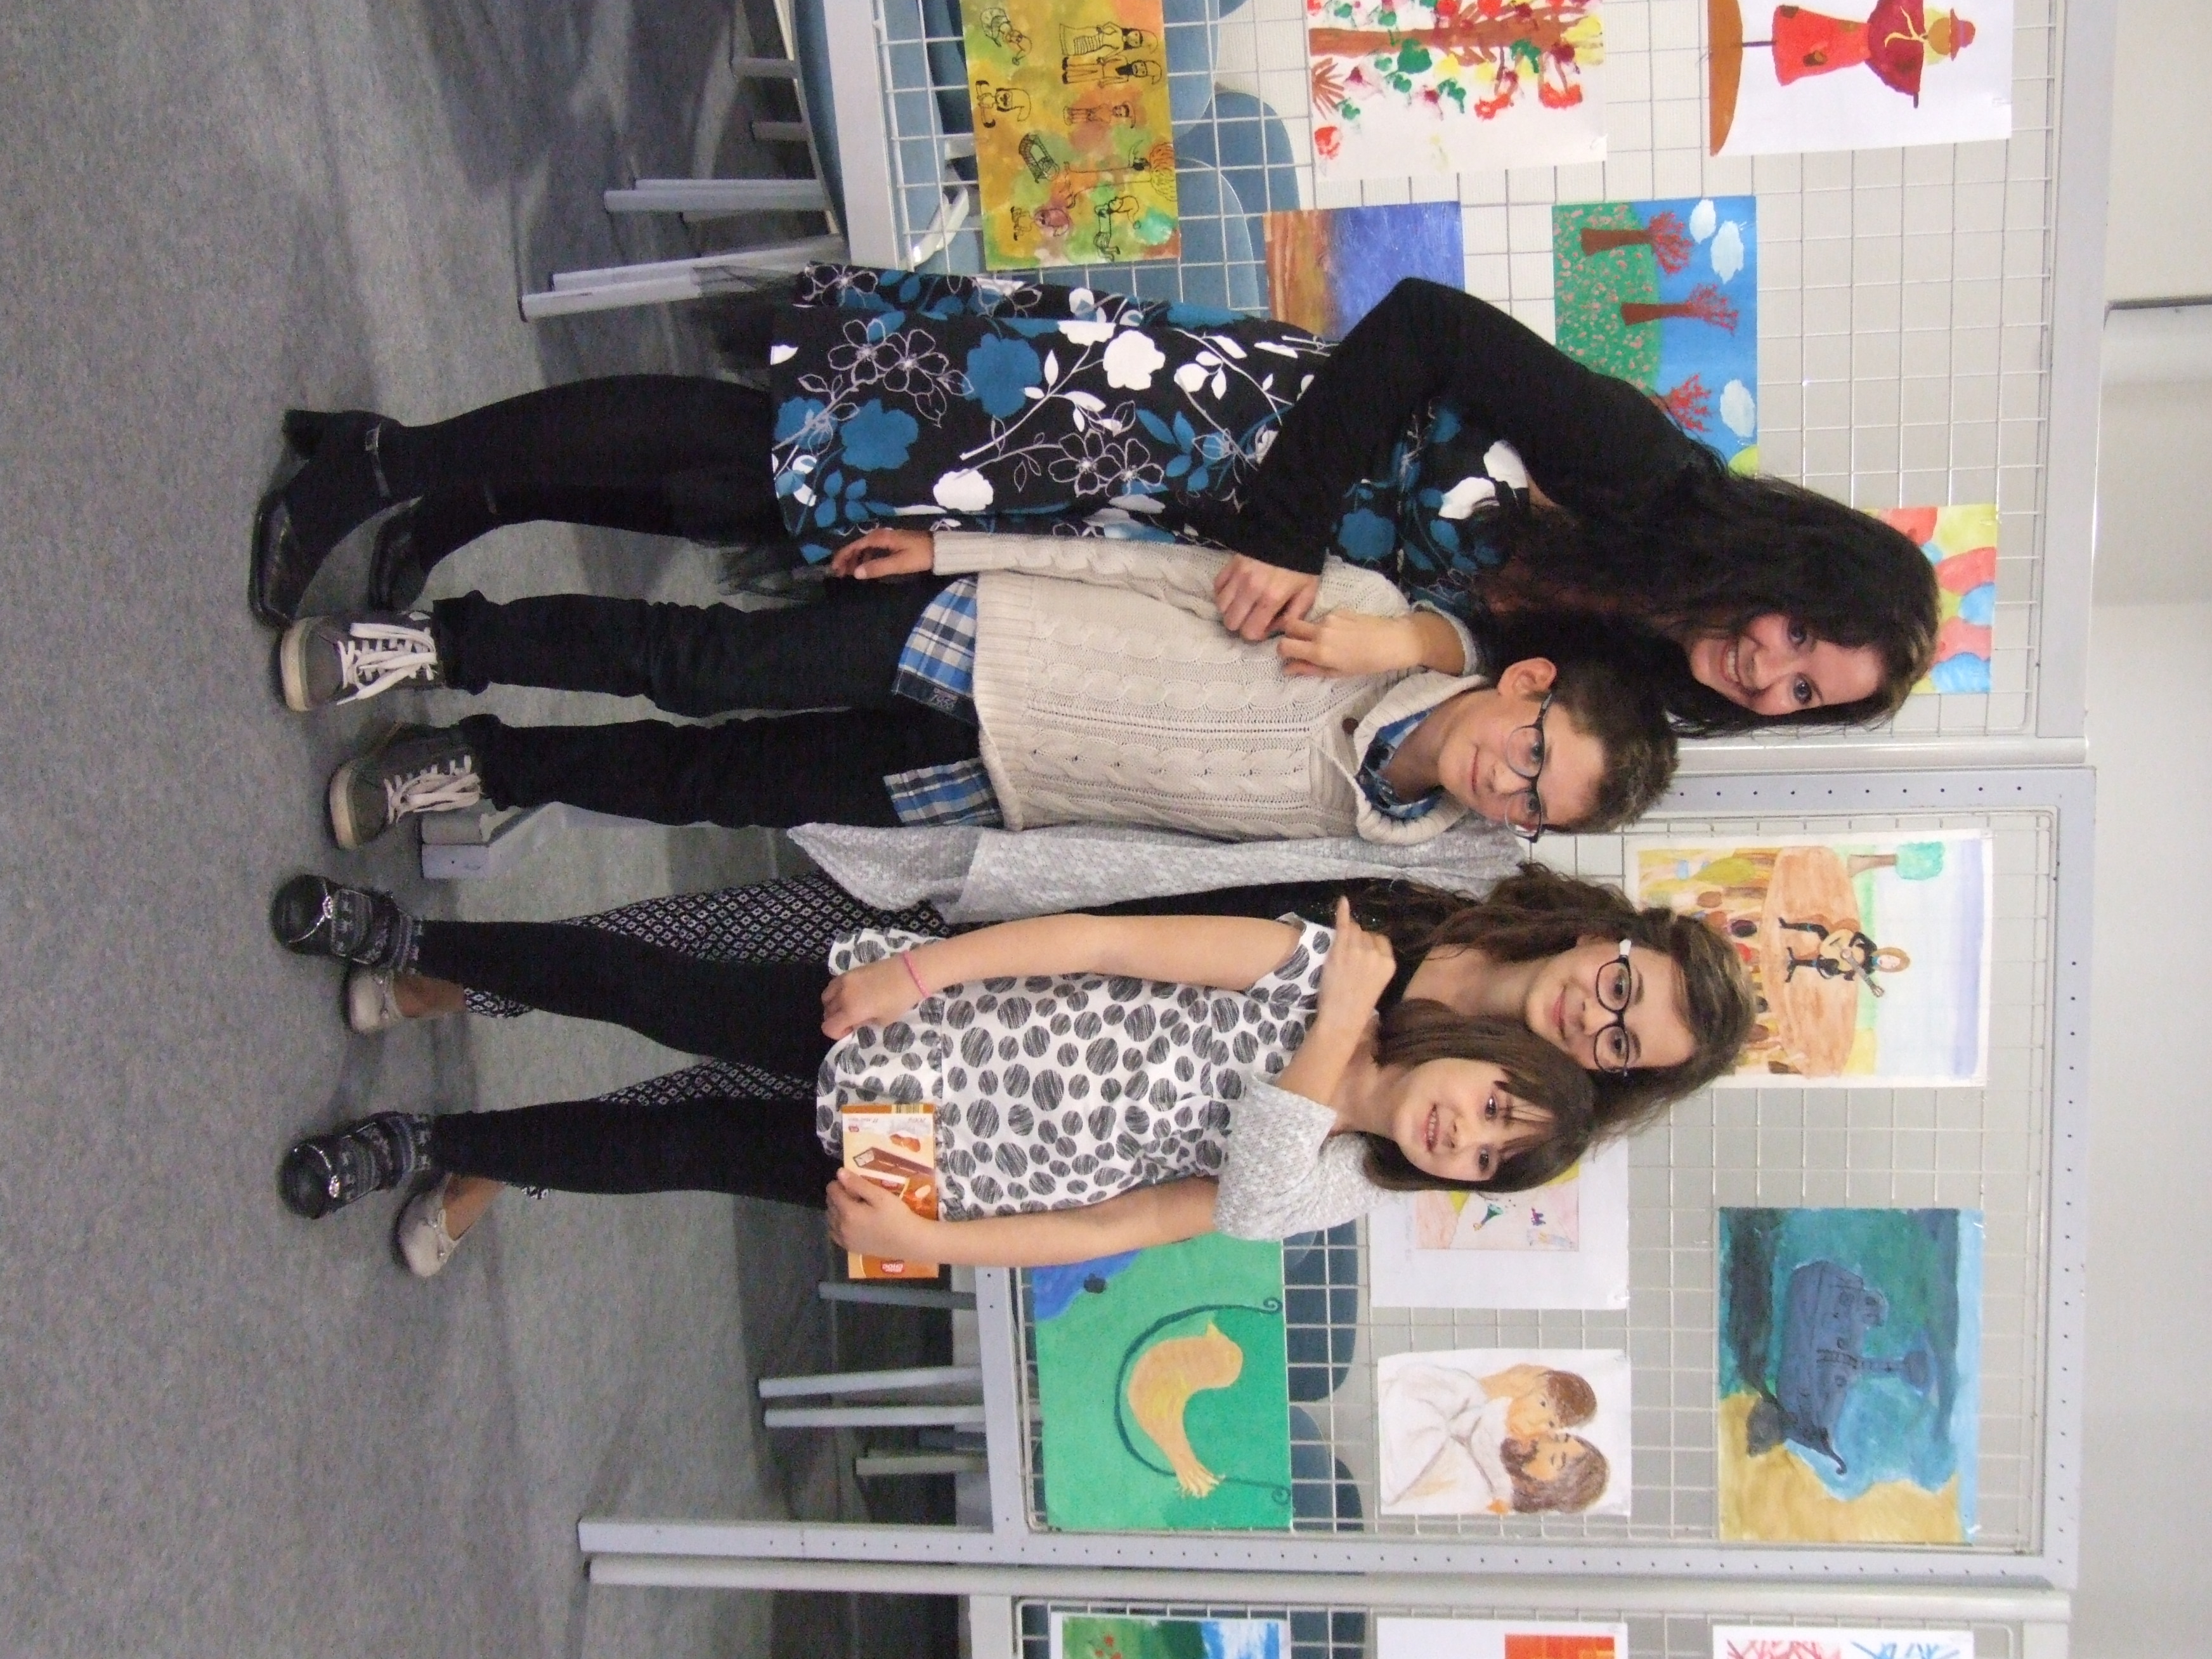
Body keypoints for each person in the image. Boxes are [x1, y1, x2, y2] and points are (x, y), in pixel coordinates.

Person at [250, 265, 1935, 736]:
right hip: (1180, 430)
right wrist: (1284, 535)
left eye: (1803, 695)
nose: (1769, 670)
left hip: (1171, 558)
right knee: (772, 445)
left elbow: (1440, 658)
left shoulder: (1643, 679)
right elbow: (1422, 329)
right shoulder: (1653, 482)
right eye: (1802, 638)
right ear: (1798, 568)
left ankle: (450, 492)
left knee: (789, 514)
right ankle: (384, 464)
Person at [270, 859, 1753, 1274]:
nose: (1465, 1133)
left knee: (664, 1154)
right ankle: (414, 938)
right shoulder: (1333, 966)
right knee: (651, 991)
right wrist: (919, 969)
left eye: (1489, 1157)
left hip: (940, 1170)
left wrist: (934, 1243)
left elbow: (1134, 1221)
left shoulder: (1337, 1180)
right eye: (1493, 1104)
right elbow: (1107, 939)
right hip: (918, 1023)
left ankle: (421, 1144)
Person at [275, 526, 1678, 851]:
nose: (1508, 786)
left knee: (713, 786)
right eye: (1535, 751)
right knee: (696, 667)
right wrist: (953, 552)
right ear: (1527, 682)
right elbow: (1156, 571)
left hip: (982, 791)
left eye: (1536, 808)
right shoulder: (1371, 620)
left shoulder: (1378, 843)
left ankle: (481, 766)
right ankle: (435, 643)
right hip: (980, 637)